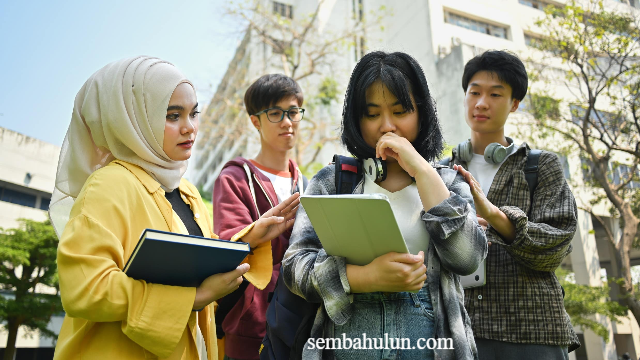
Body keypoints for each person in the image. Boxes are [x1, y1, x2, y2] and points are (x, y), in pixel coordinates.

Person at [50, 56, 300, 360]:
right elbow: (84, 289)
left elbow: (202, 268)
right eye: (172, 115)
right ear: (131, 118)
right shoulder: (108, 185)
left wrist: (250, 240)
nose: (189, 128)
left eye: (193, 113)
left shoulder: (187, 192)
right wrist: (194, 297)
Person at [281, 51, 487, 360]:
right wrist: (363, 278)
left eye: (400, 110)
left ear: (422, 112)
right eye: (372, 113)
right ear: (356, 117)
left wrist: (423, 171)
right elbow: (294, 268)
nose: (387, 126)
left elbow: (468, 258)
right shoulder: (333, 181)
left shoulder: (448, 182)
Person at [449, 50, 580, 359]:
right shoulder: (440, 172)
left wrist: (494, 216)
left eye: (495, 94)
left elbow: (556, 245)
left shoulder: (540, 165)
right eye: (475, 92)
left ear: (515, 104)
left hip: (532, 330)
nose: (481, 103)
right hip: (459, 332)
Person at [212, 74, 307, 360]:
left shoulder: (308, 184)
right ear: (256, 121)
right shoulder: (235, 178)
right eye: (275, 113)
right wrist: (257, 234)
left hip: (303, 323)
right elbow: (227, 245)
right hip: (251, 327)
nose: (287, 122)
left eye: (293, 112)